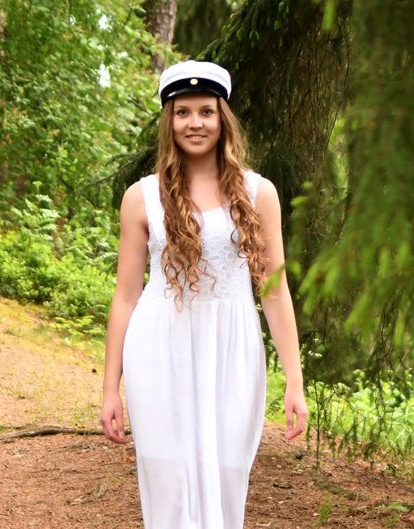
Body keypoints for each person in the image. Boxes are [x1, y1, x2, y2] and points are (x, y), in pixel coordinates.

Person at [99, 60, 308, 529]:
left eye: (206, 111)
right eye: (183, 112)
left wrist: (294, 381)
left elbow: (274, 292)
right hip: (159, 349)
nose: (195, 123)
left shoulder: (258, 193)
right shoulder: (142, 197)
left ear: (222, 118)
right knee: (168, 479)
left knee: (228, 475)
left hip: (232, 351)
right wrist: (110, 388)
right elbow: (126, 297)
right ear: (169, 120)